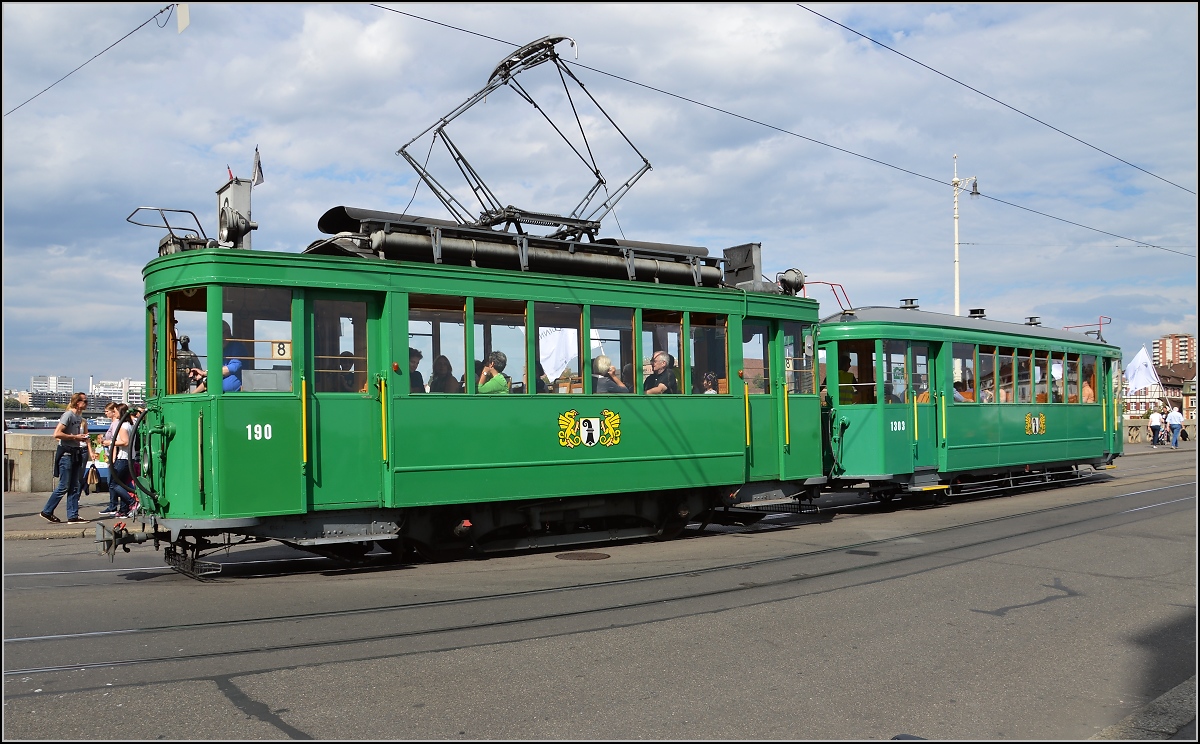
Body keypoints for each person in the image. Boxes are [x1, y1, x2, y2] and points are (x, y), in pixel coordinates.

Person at [40, 392, 94, 524]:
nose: (87, 404)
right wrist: (76, 437)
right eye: (85, 401)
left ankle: (73, 515)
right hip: (66, 455)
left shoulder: (78, 417)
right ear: (77, 403)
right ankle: (47, 511)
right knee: (64, 486)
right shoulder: (68, 415)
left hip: (75, 453)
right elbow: (57, 434)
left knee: (75, 486)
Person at [98, 404, 137, 518]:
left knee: (114, 484)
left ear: (120, 412)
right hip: (130, 457)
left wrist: (109, 442)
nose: (114, 414)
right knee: (124, 484)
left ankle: (132, 502)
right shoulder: (130, 425)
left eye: (115, 411)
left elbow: (125, 442)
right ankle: (124, 510)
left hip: (122, 458)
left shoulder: (122, 426)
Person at [189, 322, 247, 393]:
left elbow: (233, 367)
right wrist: (193, 394)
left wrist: (205, 373)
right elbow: (213, 378)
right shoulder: (221, 350)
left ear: (227, 333)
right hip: (221, 396)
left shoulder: (237, 347)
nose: (217, 338)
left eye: (219, 334)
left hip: (235, 398)